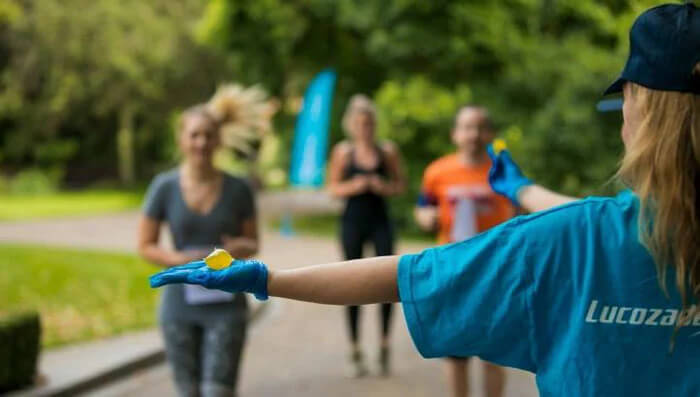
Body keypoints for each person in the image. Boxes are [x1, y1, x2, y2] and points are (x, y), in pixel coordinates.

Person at [150, 4, 700, 396]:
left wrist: (268, 279)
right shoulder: (573, 232)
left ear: (641, 112)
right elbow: (599, 221)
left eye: (626, 98)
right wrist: (522, 189)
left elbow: (406, 274)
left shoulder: (569, 240)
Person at [138, 102, 258, 397]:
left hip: (227, 307)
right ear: (182, 139)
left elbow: (253, 243)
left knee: (218, 392)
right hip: (179, 306)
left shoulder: (238, 188)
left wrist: (238, 247)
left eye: (208, 135)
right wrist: (178, 259)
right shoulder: (163, 187)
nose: (201, 142)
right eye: (194, 135)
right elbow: (145, 245)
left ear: (218, 140)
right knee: (187, 392)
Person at [414, 106, 513, 397]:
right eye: (467, 127)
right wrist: (424, 217)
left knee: (494, 352)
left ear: (491, 134)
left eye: (481, 127)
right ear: (455, 134)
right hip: (451, 269)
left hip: (494, 269)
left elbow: (519, 212)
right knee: (455, 353)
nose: (474, 134)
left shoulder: (503, 171)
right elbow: (423, 206)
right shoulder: (437, 171)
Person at [326, 94, 406, 377]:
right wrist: (357, 184)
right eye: (360, 124)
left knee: (387, 280)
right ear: (351, 125)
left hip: (380, 220)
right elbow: (332, 188)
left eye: (369, 123)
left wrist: (383, 186)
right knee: (352, 282)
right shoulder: (343, 153)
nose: (365, 129)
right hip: (353, 221)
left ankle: (384, 345)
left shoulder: (387, 151)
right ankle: (355, 347)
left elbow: (400, 186)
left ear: (374, 124)